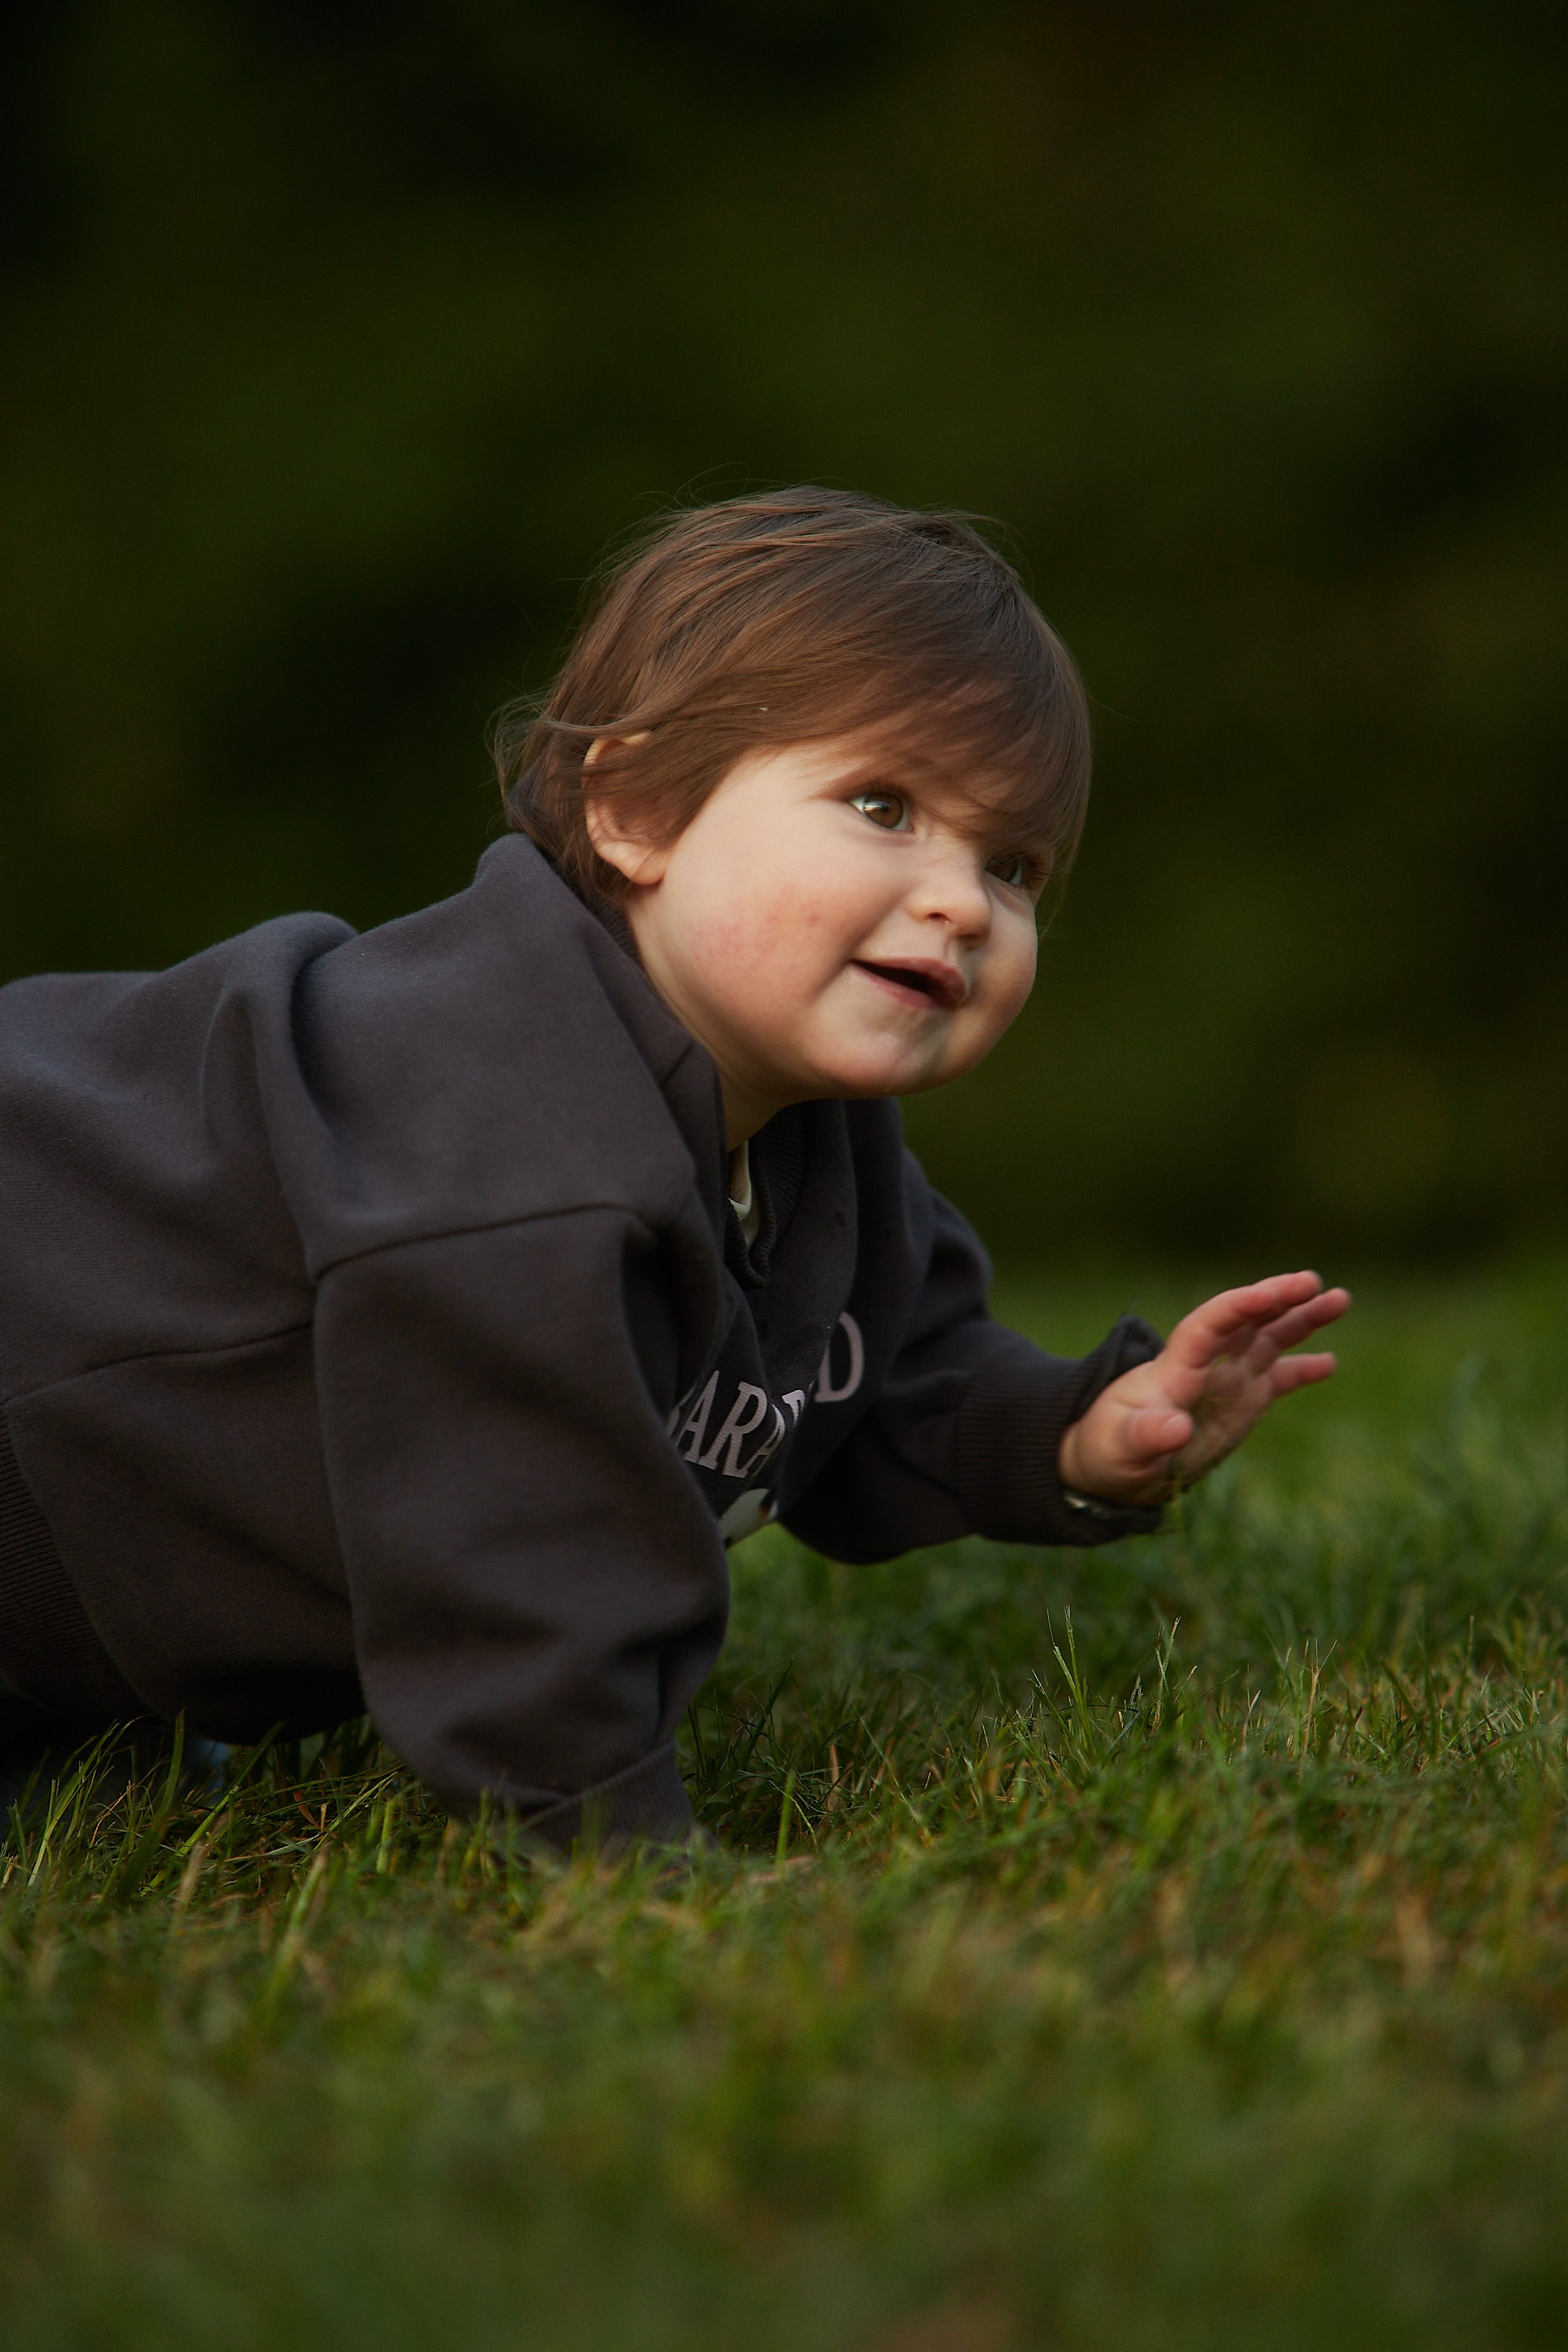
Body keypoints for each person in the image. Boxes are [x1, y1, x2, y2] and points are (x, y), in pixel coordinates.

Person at [0, 488, 1348, 1847]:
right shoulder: (519, 1137)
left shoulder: (815, 1148)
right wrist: (615, 1850)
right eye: (883, 804)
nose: (961, 902)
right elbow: (517, 1559)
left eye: (1013, 865)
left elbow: (852, 1382)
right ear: (638, 807)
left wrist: (1072, 1435)